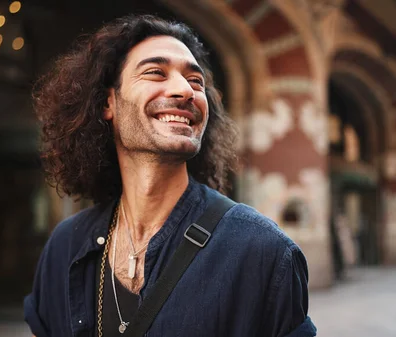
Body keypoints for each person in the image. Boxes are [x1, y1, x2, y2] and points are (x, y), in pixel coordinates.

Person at [24, 14, 317, 337]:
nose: (184, 90)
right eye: (155, 73)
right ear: (108, 102)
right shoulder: (65, 247)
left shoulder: (264, 253)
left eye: (196, 81)